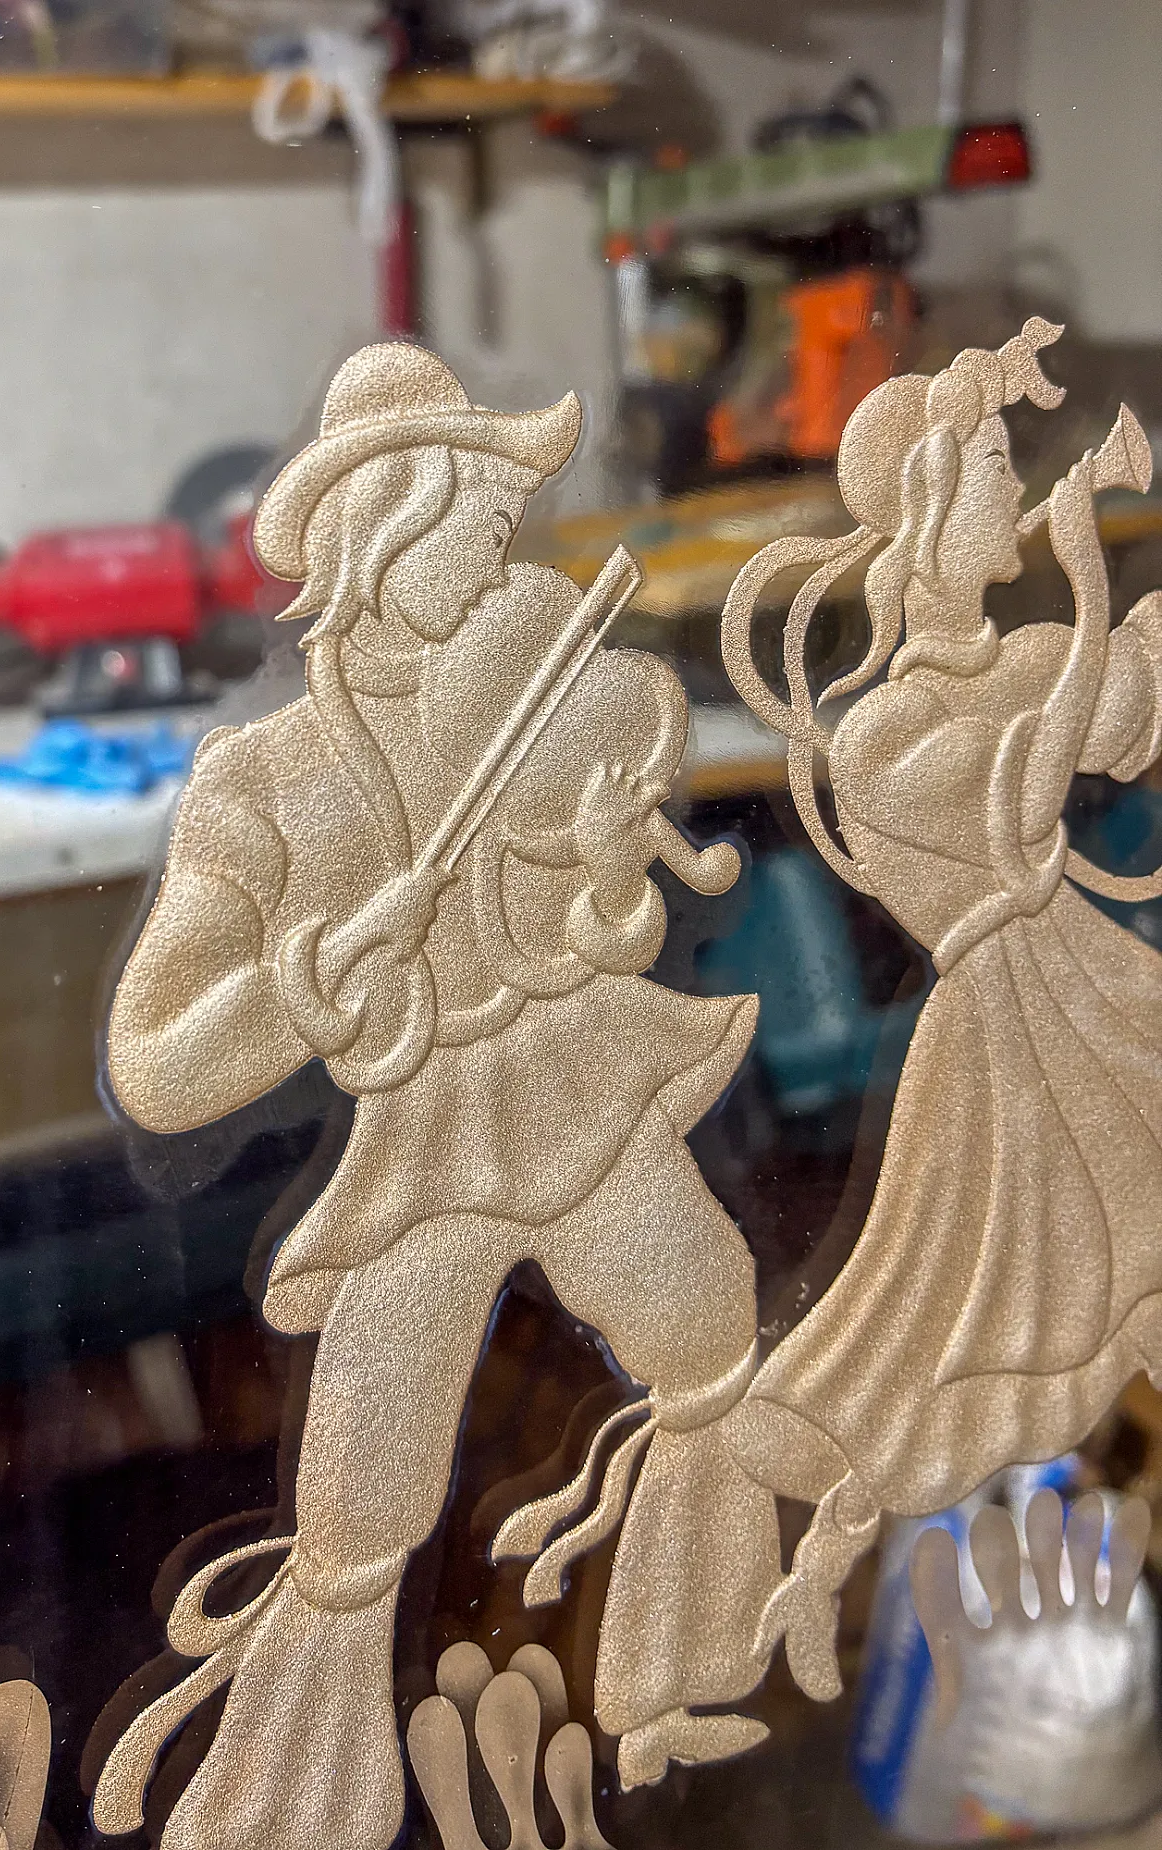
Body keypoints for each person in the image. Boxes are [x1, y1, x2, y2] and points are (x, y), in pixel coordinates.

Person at [90, 342, 782, 1850]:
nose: (504, 528)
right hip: (422, 1135)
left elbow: (604, 933)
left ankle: (679, 1672)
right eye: (474, 499)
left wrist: (607, 881)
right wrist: (304, 987)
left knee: (704, 1321)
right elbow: (157, 1060)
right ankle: (296, 1797)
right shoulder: (266, 782)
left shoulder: (553, 686)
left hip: (569, 1072)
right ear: (385, 516)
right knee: (362, 1492)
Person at [720, 317, 1162, 1703]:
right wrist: (1084, 576)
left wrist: (1122, 632)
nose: (1013, 490)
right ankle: (812, 1574)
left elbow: (1122, 717)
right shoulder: (881, 731)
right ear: (923, 510)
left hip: (1091, 980)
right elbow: (1017, 805)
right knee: (958, 1318)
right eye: (987, 470)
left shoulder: (1020, 664)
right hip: (1005, 1022)